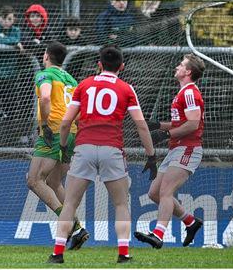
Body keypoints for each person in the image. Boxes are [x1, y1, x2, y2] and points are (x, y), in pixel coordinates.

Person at [48, 46, 155, 264]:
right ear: (122, 67)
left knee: (70, 203)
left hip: (84, 148)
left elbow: (67, 121)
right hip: (112, 150)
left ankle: (57, 253)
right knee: (121, 204)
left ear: (99, 64)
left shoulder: (85, 85)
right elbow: (141, 126)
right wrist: (151, 155)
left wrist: (62, 145)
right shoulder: (127, 89)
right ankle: (123, 254)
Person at [134, 53, 206, 250]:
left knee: (166, 191)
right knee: (154, 193)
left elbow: (192, 124)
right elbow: (182, 121)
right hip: (177, 148)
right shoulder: (183, 92)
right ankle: (190, 222)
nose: (177, 67)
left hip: (188, 148)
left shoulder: (190, 92)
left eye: (181, 65)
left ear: (188, 72)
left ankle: (158, 235)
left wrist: (166, 135)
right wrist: (160, 126)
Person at [27, 41, 90, 251]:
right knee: (55, 182)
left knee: (35, 181)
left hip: (53, 130)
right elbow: (81, 108)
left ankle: (71, 224)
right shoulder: (71, 79)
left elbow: (45, 97)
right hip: (70, 131)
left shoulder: (45, 75)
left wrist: (44, 125)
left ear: (46, 56)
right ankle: (78, 227)